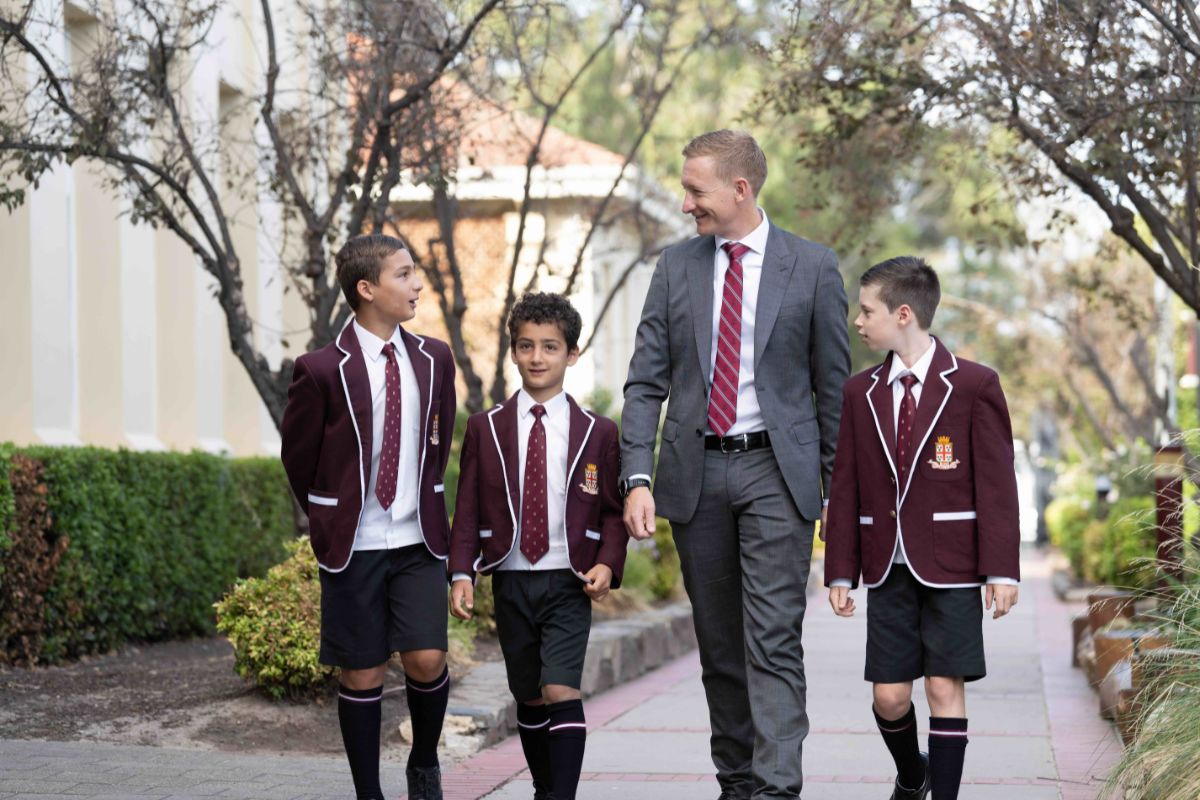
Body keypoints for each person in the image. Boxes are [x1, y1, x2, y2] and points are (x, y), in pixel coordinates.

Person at [620, 129, 850, 799]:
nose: (686, 202)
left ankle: (777, 791)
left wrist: (836, 492)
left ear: (740, 189)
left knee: (772, 638)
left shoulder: (811, 267)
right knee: (719, 647)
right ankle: (739, 784)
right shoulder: (676, 268)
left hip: (777, 474)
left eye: (696, 190)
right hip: (696, 476)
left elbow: (831, 389)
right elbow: (644, 384)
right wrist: (637, 476)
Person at [823, 256, 1021, 800]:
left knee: (942, 686)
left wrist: (1002, 569)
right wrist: (839, 570)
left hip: (953, 565)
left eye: (867, 311)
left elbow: (998, 485)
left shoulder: (975, 384)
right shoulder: (858, 392)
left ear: (903, 313)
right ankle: (913, 774)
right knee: (889, 697)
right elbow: (845, 487)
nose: (858, 322)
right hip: (886, 565)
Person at [279, 234, 457, 800]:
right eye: (404, 274)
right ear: (366, 288)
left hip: (417, 538)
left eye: (415, 273)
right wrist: (329, 515)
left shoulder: (435, 360)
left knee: (427, 658)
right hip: (353, 543)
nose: (417, 284)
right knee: (362, 673)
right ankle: (367, 792)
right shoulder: (321, 369)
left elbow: (439, 438)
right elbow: (298, 455)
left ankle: (423, 763)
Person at [448, 292, 627, 800]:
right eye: (526, 346)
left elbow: (612, 512)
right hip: (509, 575)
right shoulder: (487, 428)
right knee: (527, 694)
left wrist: (608, 565)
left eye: (550, 347)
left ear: (572, 354)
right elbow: (467, 510)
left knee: (560, 688)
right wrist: (462, 572)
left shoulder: (597, 432)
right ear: (513, 351)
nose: (537, 357)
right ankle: (545, 787)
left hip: (569, 579)